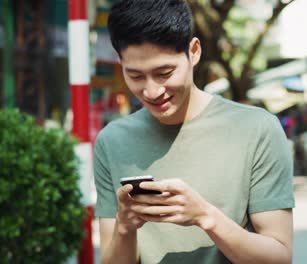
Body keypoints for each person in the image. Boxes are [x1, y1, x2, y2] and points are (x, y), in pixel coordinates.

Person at [93, 1, 295, 263]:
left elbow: (279, 257)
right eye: (136, 76)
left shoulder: (257, 129)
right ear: (121, 62)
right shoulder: (112, 141)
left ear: (194, 51)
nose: (152, 91)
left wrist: (205, 216)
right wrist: (124, 229)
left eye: (164, 73)